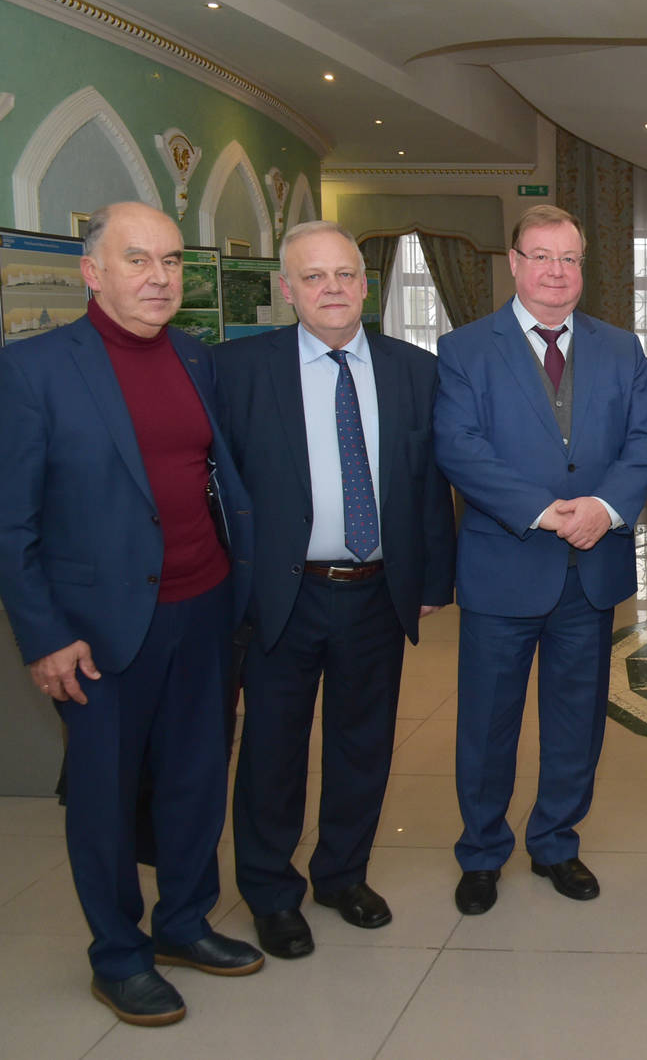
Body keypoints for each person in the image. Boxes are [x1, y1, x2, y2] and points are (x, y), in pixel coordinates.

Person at [0, 201, 261, 1026]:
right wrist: (44, 636)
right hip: (98, 631)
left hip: (204, 607)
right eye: (138, 260)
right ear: (92, 272)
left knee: (194, 778)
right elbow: (11, 524)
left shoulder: (193, 356)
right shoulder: (33, 370)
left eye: (172, 261)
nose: (160, 278)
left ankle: (184, 921)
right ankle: (117, 953)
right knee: (106, 800)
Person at [212, 220, 457, 960]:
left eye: (345, 274)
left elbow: (428, 484)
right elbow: (215, 489)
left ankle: (343, 875)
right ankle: (270, 893)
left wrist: (432, 579)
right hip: (281, 597)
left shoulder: (415, 370)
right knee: (272, 751)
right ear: (287, 290)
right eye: (313, 277)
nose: (332, 289)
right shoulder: (237, 370)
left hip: (376, 593)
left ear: (366, 284)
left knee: (364, 745)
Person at [434, 204, 647, 914]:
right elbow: (459, 448)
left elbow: (645, 443)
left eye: (569, 258)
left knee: (576, 723)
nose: (556, 272)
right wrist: (543, 511)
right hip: (505, 568)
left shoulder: (621, 348)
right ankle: (481, 853)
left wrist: (604, 508)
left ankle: (556, 843)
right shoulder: (465, 349)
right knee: (487, 725)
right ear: (514, 263)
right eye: (541, 256)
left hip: (588, 576)